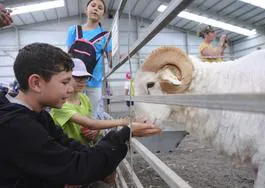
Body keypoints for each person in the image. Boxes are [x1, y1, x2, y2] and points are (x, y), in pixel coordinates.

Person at [0, 43, 161, 187]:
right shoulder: (16, 125)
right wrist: (125, 133)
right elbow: (76, 167)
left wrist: (90, 168)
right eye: (64, 82)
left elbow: (68, 146)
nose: (70, 89)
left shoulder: (39, 115)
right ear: (36, 83)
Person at [51, 58, 136, 147]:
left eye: (85, 78)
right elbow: (91, 123)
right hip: (68, 150)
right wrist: (124, 121)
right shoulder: (60, 104)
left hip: (84, 146)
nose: (82, 82)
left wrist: (95, 131)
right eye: (78, 78)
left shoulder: (84, 98)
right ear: (67, 78)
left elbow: (90, 122)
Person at [66, 0, 111, 117]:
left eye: (100, 8)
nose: (96, 9)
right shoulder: (73, 30)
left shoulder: (106, 36)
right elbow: (68, 55)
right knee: (72, 113)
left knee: (91, 116)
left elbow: (111, 60)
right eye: (93, 5)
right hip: (73, 80)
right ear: (86, 9)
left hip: (94, 82)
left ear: (103, 14)